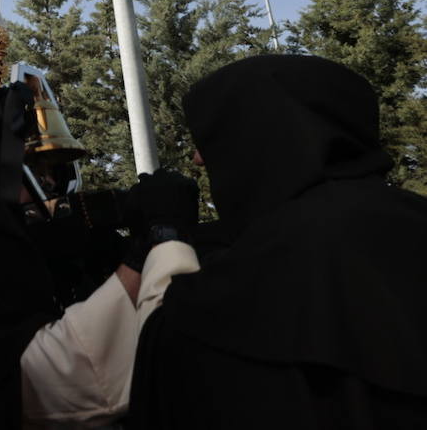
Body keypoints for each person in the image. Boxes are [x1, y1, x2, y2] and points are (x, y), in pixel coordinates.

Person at [129, 55, 427, 427]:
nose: (198, 160)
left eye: (210, 139)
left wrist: (163, 236)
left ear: (253, 140)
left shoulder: (228, 298)